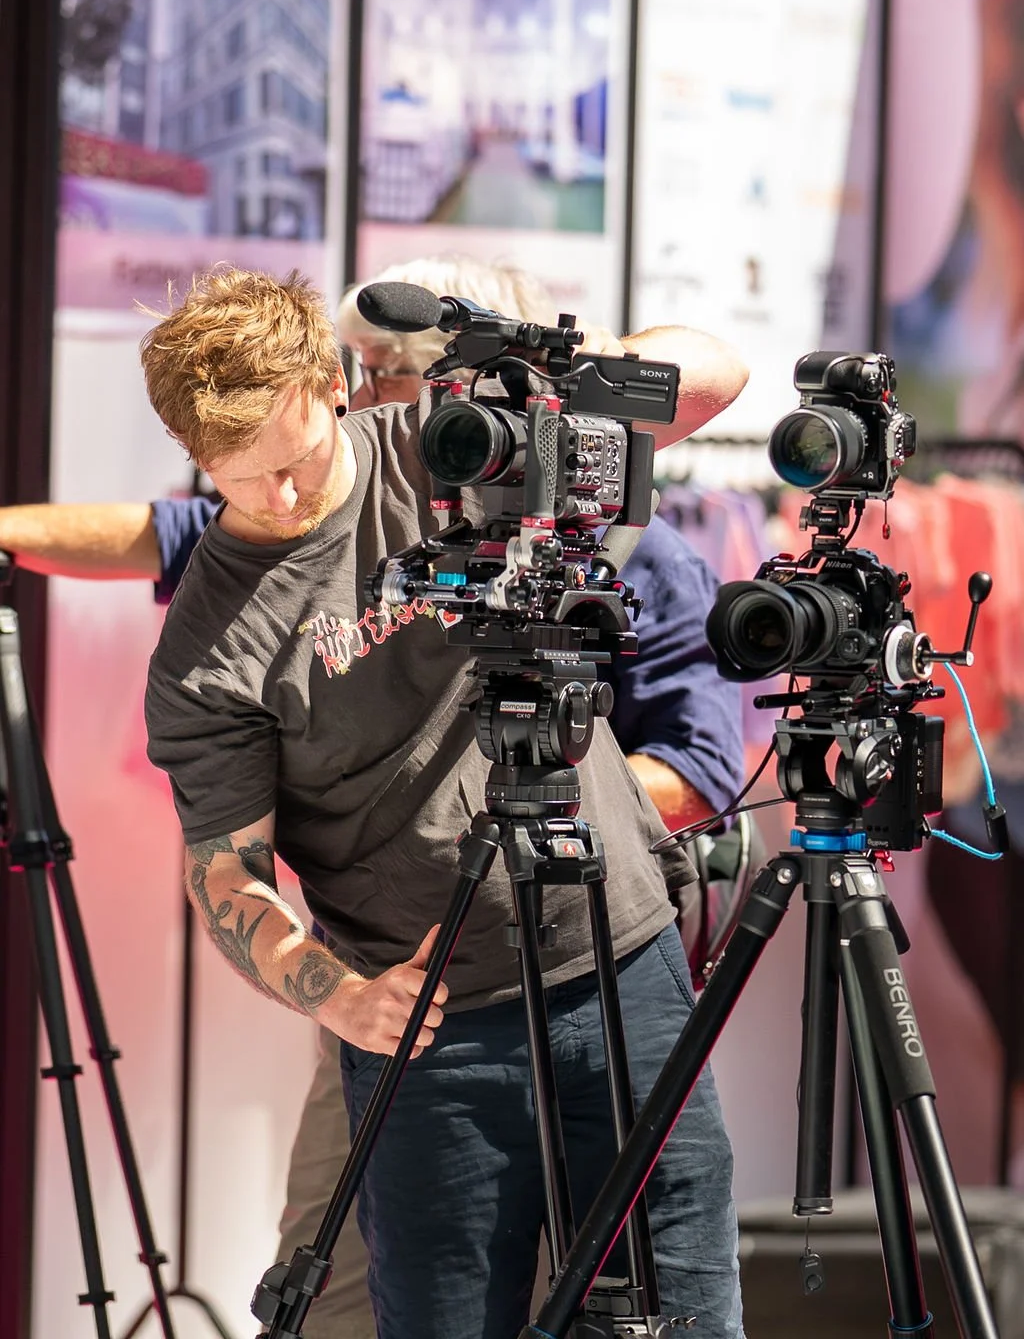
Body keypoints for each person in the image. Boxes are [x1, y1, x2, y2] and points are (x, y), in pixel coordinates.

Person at [0, 257, 749, 1339]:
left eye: (298, 463)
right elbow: (228, 873)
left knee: (685, 1317)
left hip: (622, 967)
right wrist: (332, 996)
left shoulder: (456, 457)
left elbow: (715, 377)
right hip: (427, 1032)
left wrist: (543, 374)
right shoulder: (208, 645)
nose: (282, 499)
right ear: (195, 456)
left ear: (340, 388)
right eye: (240, 478)